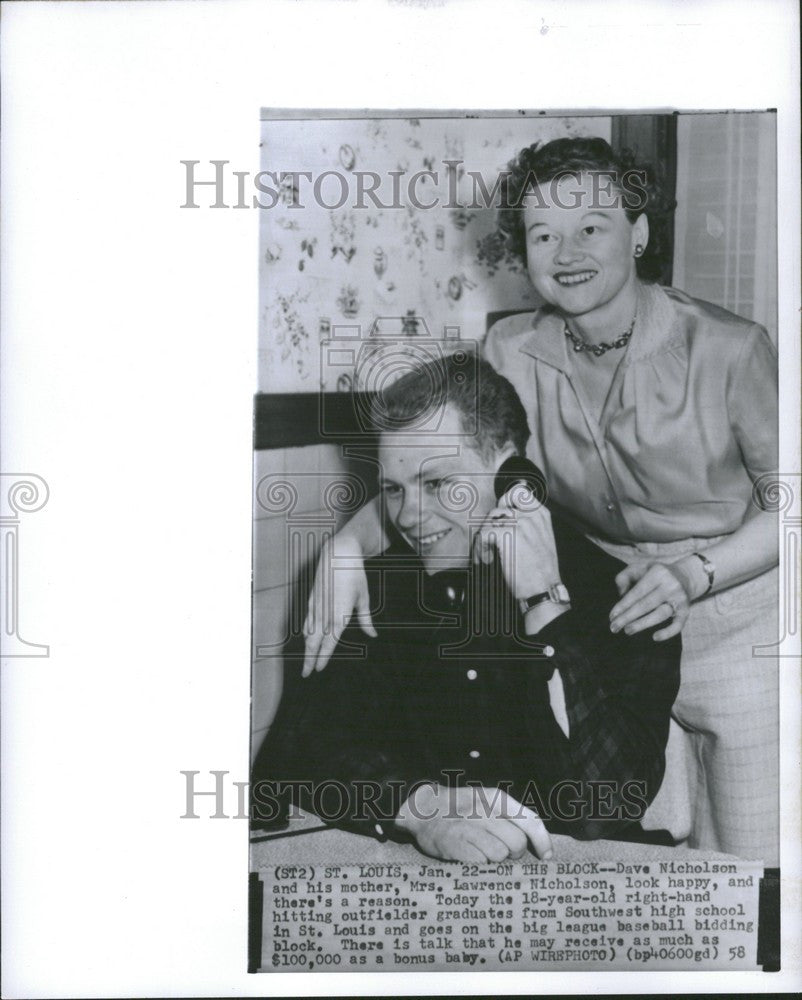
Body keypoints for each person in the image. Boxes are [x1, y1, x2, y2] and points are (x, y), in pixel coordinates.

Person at [301, 136, 779, 864]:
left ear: (640, 232)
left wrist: (691, 575)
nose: (567, 251)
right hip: (604, 618)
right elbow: (466, 473)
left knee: (750, 860)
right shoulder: (511, 347)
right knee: (638, 840)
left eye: (592, 226)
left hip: (733, 605)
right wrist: (345, 548)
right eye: (543, 234)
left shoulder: (731, 348)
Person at [252, 356, 681, 862]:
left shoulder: (625, 597)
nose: (409, 517)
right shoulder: (364, 587)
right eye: (393, 488)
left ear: (508, 471)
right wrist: (419, 806)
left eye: (436, 484)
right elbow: (292, 762)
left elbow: (601, 808)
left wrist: (544, 606)